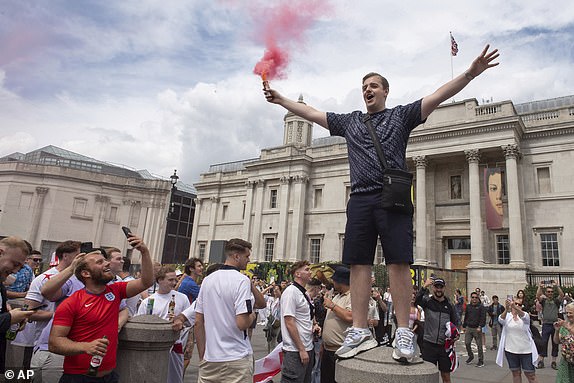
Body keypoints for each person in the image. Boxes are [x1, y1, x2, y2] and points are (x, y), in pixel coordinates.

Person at [264, 44, 499, 363]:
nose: (367, 90)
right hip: (360, 197)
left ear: (386, 92)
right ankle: (359, 330)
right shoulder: (349, 122)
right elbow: (313, 114)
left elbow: (438, 95)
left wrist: (471, 73)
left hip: (392, 196)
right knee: (358, 263)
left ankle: (403, 329)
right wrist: (281, 99)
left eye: (373, 85)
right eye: (363, 87)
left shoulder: (401, 116)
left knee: (398, 263)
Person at [48, 233, 153, 383]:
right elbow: (54, 342)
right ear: (86, 273)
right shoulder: (71, 303)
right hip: (78, 378)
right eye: (99, 262)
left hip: (109, 377)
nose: (107, 264)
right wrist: (85, 347)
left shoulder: (116, 291)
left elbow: (146, 282)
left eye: (105, 260)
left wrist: (144, 251)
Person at [194, 239, 266, 383]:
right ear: (236, 256)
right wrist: (252, 315)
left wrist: (203, 355)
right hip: (236, 358)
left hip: (211, 358)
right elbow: (242, 323)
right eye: (247, 256)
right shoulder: (240, 280)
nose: (249, 260)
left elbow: (198, 322)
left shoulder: (208, 280)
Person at [27, 240, 82, 383]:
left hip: (68, 349)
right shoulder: (44, 279)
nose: (82, 257)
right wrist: (60, 316)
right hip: (45, 347)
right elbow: (28, 312)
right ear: (65, 256)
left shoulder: (80, 280)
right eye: (78, 255)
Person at [137, 266, 190, 383]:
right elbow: (140, 322)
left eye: (175, 279)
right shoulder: (149, 302)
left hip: (175, 344)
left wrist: (181, 324)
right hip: (154, 346)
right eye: (170, 280)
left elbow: (188, 321)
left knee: (174, 378)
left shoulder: (182, 298)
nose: (174, 282)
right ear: (159, 280)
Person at [280, 260, 321, 383]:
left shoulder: (303, 293)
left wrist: (314, 325)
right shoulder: (291, 292)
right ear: (297, 274)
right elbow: (289, 322)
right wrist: (301, 349)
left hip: (308, 346)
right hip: (295, 350)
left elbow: (305, 316)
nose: (310, 272)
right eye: (307, 270)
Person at [0, 237, 35, 373]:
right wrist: (9, 318)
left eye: (20, 267)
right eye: (15, 264)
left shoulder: (1, 285)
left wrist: (9, 317)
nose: (15, 271)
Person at [415, 277, 459, 383]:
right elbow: (416, 300)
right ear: (433, 288)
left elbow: (455, 324)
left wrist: (456, 335)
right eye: (436, 287)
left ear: (444, 288)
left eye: (441, 287)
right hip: (429, 345)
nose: (438, 289)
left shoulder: (449, 305)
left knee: (446, 376)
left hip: (444, 346)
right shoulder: (427, 302)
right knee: (429, 375)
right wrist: (424, 286)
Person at [495, 297, 539, 383]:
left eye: (519, 304)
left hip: (526, 351)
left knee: (530, 375)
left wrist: (514, 307)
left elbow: (524, 316)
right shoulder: (508, 316)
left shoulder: (525, 316)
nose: (517, 305)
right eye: (515, 303)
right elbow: (500, 319)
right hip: (511, 350)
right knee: (516, 373)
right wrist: (507, 308)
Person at [535, 280, 564, 369]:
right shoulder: (544, 301)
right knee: (544, 342)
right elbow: (538, 296)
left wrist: (557, 286)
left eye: (551, 292)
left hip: (555, 325)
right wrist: (540, 286)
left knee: (555, 343)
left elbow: (562, 295)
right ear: (546, 293)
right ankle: (541, 360)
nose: (550, 293)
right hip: (546, 324)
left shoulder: (556, 301)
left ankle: (554, 361)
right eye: (548, 292)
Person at [463, 291, 487, 367]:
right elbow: (466, 316)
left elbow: (483, 318)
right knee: (467, 343)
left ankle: (481, 360)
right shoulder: (468, 306)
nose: (474, 299)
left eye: (476, 298)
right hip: (469, 328)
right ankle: (471, 356)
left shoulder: (481, 307)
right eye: (472, 297)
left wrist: (480, 326)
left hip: (477, 328)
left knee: (479, 345)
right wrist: (464, 326)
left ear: (478, 299)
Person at [553, 302, 574, 382]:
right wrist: (557, 331)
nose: (568, 315)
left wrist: (568, 328)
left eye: (570, 313)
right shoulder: (565, 325)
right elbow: (556, 341)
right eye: (567, 312)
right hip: (565, 363)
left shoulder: (566, 326)